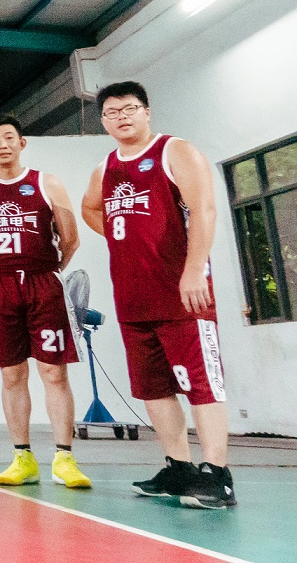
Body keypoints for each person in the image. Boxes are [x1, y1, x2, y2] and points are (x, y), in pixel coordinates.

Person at [81, 81, 232, 509]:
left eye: (129, 108)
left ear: (146, 112)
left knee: (202, 385)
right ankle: (179, 468)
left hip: (182, 293)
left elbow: (204, 209)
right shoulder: (105, 167)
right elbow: (89, 207)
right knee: (153, 389)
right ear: (103, 121)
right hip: (133, 297)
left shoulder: (174, 151)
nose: (121, 117)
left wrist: (194, 269)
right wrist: (125, 236)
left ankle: (218, 476)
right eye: (112, 112)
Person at [0, 113, 90, 488]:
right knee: (12, 375)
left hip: (42, 284)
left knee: (54, 372)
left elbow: (71, 239)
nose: (2, 144)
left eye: (8, 137)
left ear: (22, 142)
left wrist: (49, 270)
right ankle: (22, 458)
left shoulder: (46, 182)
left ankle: (64, 458)